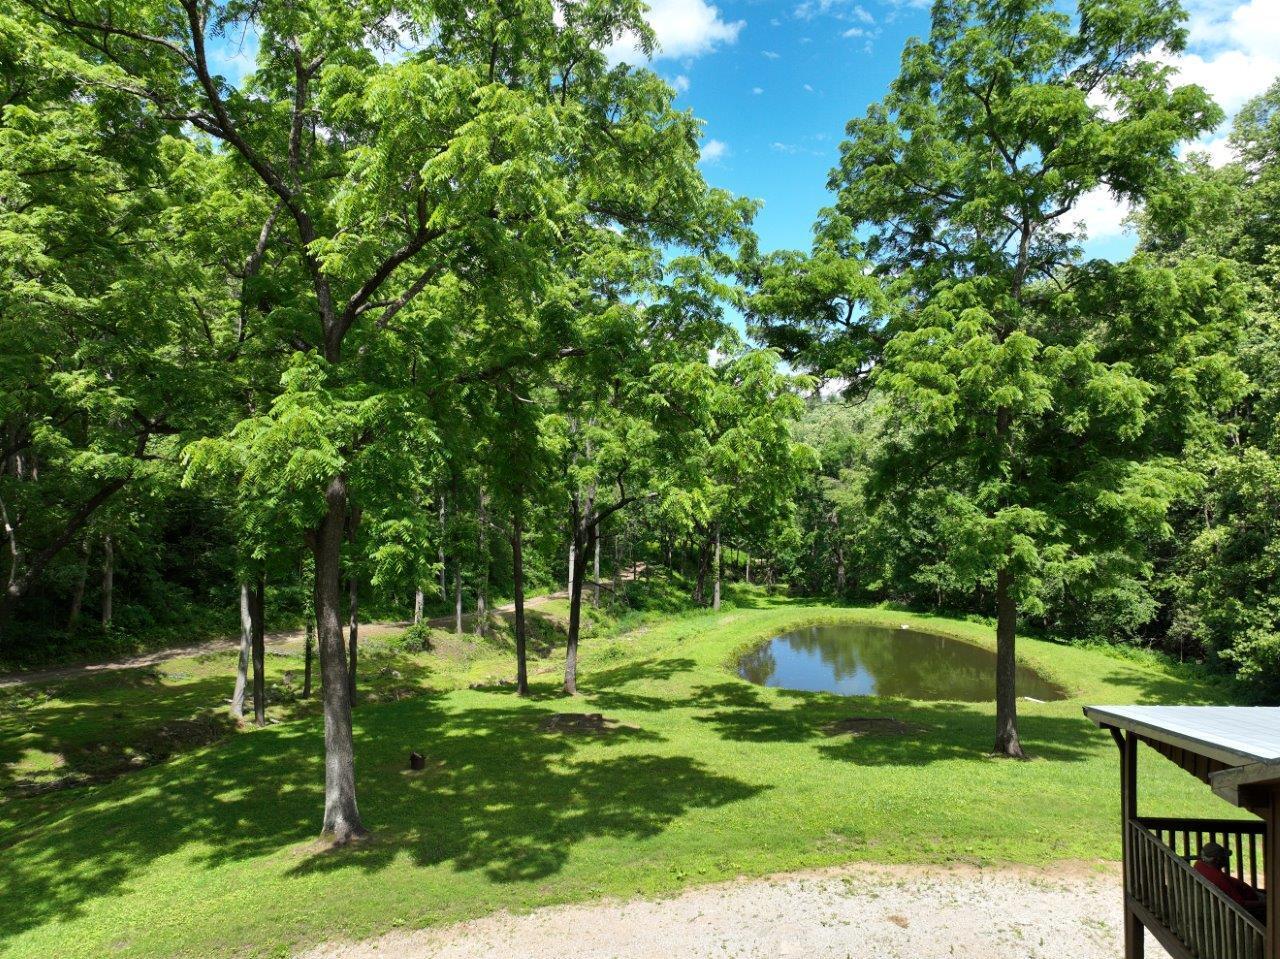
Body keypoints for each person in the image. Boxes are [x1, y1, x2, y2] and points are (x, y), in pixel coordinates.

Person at [1194, 842, 1266, 921]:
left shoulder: (1200, 865)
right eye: (1224, 856)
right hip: (1250, 909)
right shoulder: (1217, 879)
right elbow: (1240, 904)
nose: (1226, 858)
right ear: (1217, 859)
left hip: (1249, 897)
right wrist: (1265, 903)